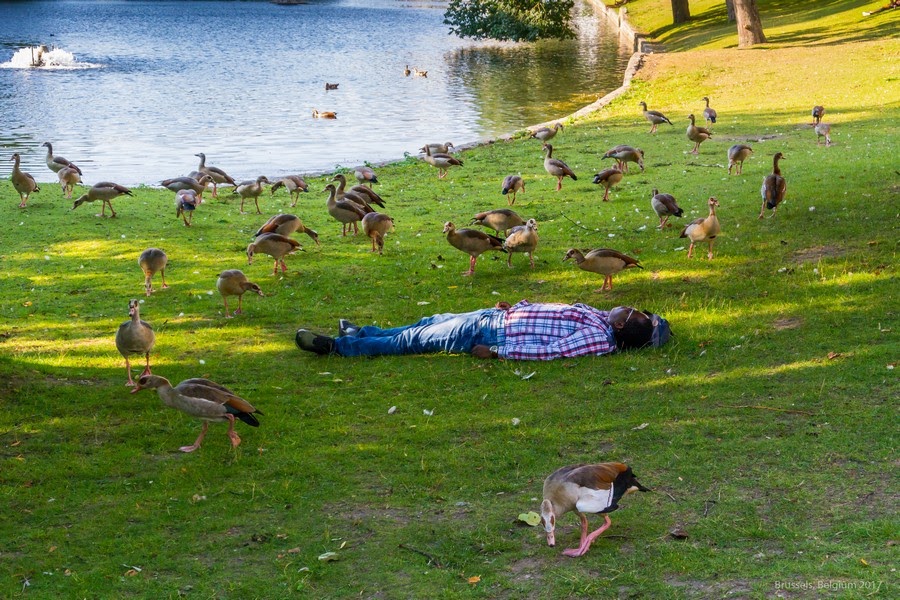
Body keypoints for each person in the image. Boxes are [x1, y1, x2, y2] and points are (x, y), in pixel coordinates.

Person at [295, 300, 670, 359]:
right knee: (428, 322)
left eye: (635, 312)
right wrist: (519, 306)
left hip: (491, 336)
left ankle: (339, 349)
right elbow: (552, 312)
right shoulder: (600, 316)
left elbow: (552, 351)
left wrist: (497, 352)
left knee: (416, 341)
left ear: (621, 325)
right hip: (496, 315)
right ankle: (362, 332)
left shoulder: (597, 339)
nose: (631, 305)